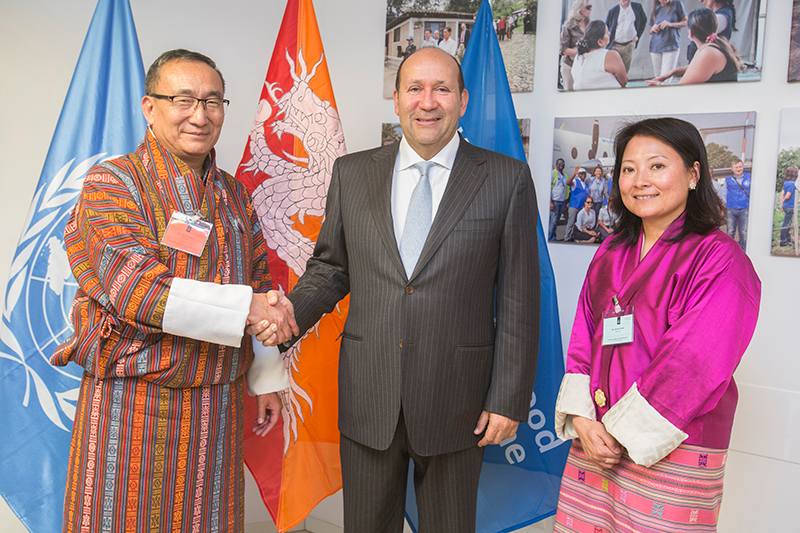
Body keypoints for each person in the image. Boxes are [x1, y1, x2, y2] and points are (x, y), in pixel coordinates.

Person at [252, 47, 540, 533]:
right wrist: (286, 320)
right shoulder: (353, 173)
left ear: (463, 100)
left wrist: (509, 398)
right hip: (370, 394)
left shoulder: (505, 178)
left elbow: (519, 298)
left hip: (459, 400)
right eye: (415, 88)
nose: (427, 102)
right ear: (396, 99)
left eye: (442, 89)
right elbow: (330, 269)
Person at [50, 49, 296, 532]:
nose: (200, 116)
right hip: (134, 403)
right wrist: (247, 306)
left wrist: (266, 376)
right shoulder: (113, 184)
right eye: (183, 100)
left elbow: (260, 280)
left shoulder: (232, 193)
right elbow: (139, 289)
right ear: (149, 107)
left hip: (216, 406)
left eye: (213, 101)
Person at [553, 117, 760, 532]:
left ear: (694, 174)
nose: (640, 180)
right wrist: (584, 422)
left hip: (668, 443)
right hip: (596, 440)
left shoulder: (720, 260)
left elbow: (695, 362)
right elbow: (584, 337)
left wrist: (619, 430)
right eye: (629, 169)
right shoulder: (611, 250)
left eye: (657, 166)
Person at [647, 8, 740, 85]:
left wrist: (658, 84)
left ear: (690, 32)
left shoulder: (709, 53)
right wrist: (673, 72)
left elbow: (681, 89)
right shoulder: (712, 46)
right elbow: (697, 67)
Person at [572, 21, 628, 90]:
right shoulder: (611, 55)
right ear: (600, 42)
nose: (609, 33)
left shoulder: (578, 56)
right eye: (607, 33)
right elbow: (623, 81)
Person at [648, 0, 688, 80]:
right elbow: (650, 30)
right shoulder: (656, 8)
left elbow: (686, 22)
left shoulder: (677, 3)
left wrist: (670, 24)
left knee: (666, 78)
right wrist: (653, 28)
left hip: (671, 45)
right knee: (657, 77)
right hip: (655, 46)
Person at [605, 0, 647, 74]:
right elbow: (606, 26)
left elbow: (643, 20)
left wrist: (637, 35)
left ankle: (622, 84)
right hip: (615, 45)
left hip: (629, 44)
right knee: (613, 70)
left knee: (625, 71)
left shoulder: (637, 7)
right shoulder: (613, 11)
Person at [560, 0, 593, 91]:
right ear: (579, 9)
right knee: (570, 94)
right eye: (588, 7)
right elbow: (563, 50)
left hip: (585, 66)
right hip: (570, 65)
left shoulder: (591, 25)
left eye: (591, 7)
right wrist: (581, 52)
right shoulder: (568, 26)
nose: (590, 9)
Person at [723, 157, 751, 251]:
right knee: (730, 231)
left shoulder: (749, 178)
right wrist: (727, 204)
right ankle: (729, 250)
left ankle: (744, 251)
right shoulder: (728, 180)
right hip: (731, 208)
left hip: (744, 208)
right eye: (736, 167)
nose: (738, 169)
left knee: (743, 232)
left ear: (743, 167)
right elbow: (724, 194)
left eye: (740, 167)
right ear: (732, 169)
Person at [565, 167, 589, 241]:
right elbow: (568, 183)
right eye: (581, 173)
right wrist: (573, 174)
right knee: (571, 222)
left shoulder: (586, 184)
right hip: (574, 206)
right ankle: (566, 237)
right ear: (578, 174)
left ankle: (574, 236)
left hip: (582, 207)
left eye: (584, 173)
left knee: (578, 223)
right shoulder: (575, 181)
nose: (583, 175)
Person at [549, 158, 569, 241]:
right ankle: (549, 238)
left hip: (562, 200)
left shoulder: (565, 175)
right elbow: (549, 188)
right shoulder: (553, 173)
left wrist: (565, 201)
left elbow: (566, 188)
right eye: (560, 163)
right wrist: (550, 202)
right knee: (553, 221)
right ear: (556, 164)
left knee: (557, 220)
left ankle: (553, 236)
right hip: (555, 200)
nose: (561, 164)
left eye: (563, 163)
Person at [779, 166, 797, 247]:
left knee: (788, 224)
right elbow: (787, 196)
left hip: (787, 206)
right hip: (790, 206)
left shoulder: (786, 182)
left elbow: (782, 194)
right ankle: (783, 241)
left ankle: (787, 239)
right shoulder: (792, 184)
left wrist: (781, 205)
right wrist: (784, 201)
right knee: (786, 224)